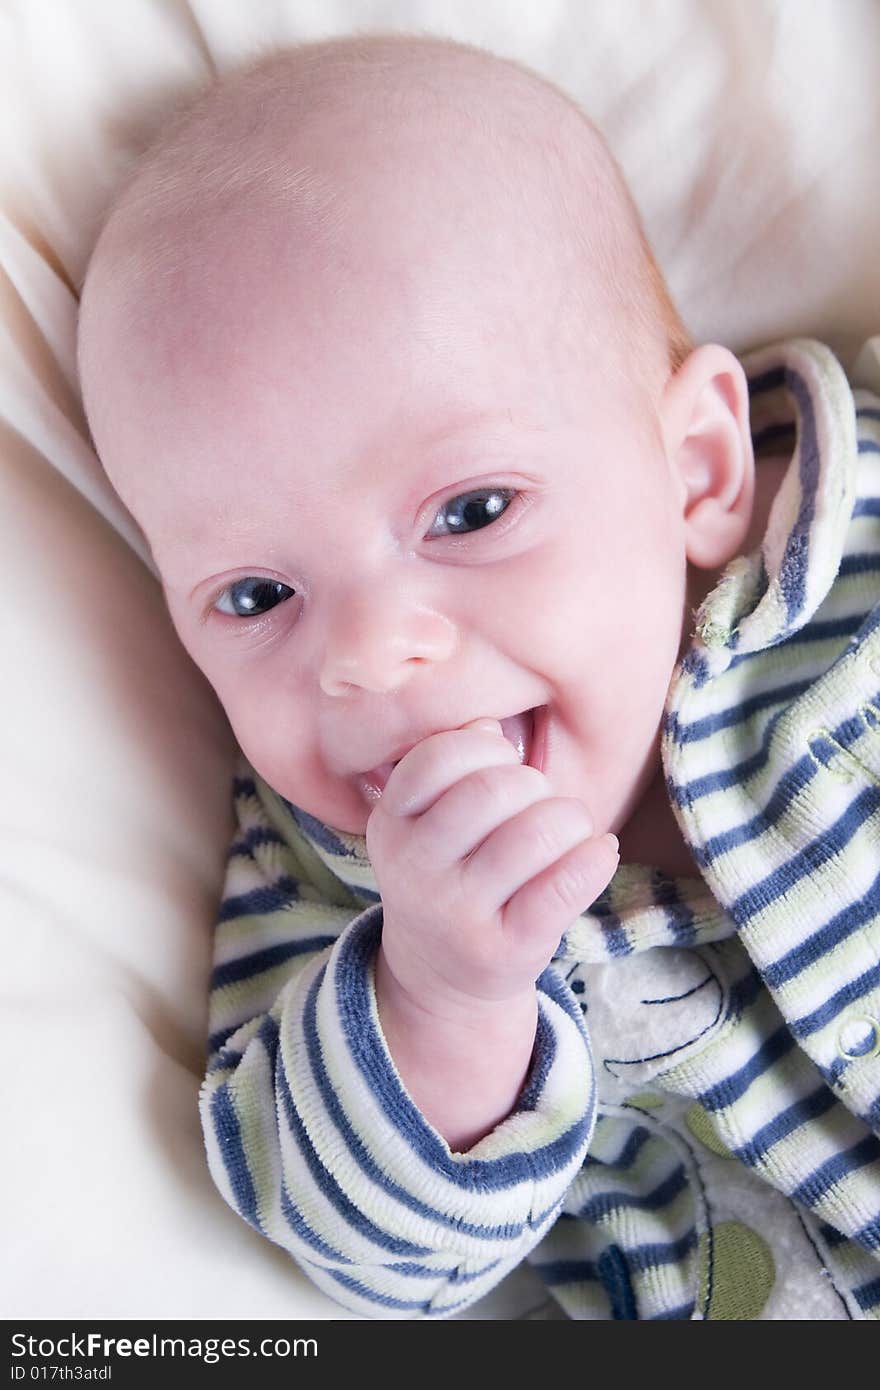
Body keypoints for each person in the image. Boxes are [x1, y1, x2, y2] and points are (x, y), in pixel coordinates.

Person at [75, 32, 880, 1319]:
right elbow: (366, 1253)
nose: (364, 651)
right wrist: (444, 997)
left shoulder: (845, 556)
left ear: (701, 471)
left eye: (470, 510)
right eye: (256, 595)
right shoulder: (333, 889)